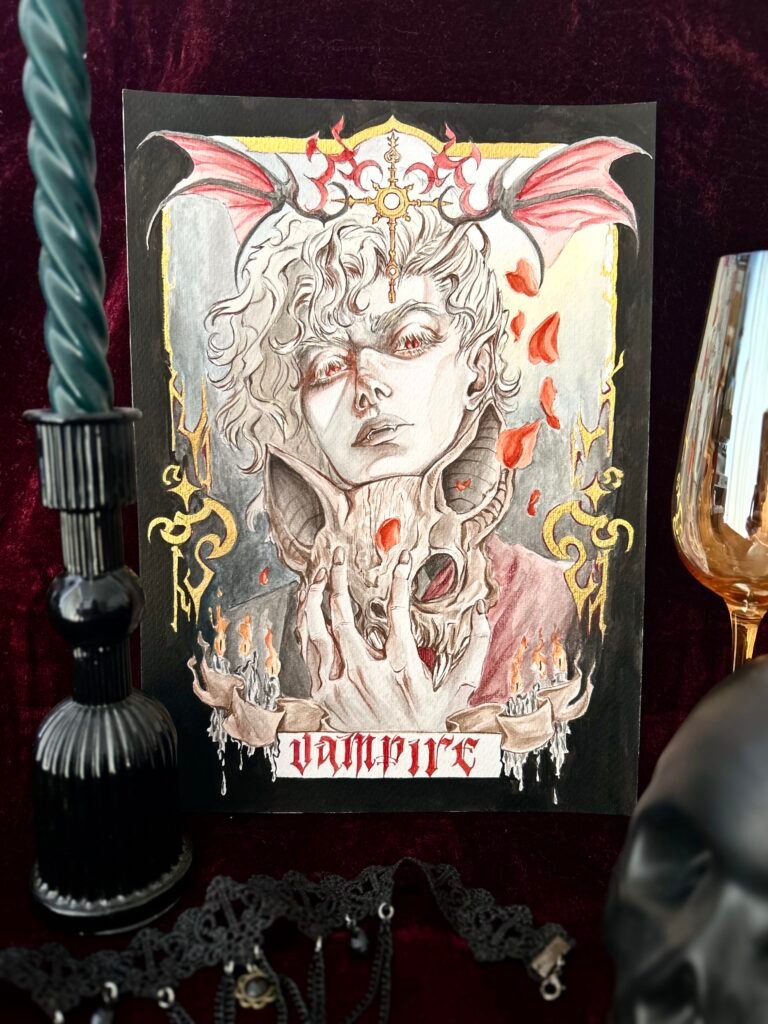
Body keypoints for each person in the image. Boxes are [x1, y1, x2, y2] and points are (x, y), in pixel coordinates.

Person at [201, 206, 577, 731]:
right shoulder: (249, 637)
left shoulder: (546, 602)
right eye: (328, 366)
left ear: (477, 366)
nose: (367, 386)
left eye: (409, 341)